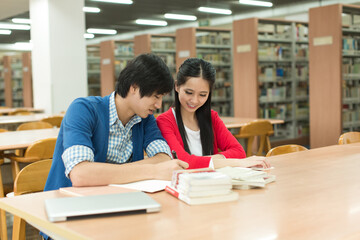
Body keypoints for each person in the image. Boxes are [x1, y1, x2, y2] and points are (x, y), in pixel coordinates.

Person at [44, 53, 188, 191]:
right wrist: (152, 170)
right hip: (68, 202)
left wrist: (102, 173)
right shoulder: (83, 110)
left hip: (115, 200)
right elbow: (80, 174)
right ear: (134, 87)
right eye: (156, 97)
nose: (158, 105)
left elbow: (163, 158)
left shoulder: (145, 118)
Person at [156, 58, 270, 169]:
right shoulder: (165, 121)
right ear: (177, 86)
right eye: (189, 92)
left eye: (202, 95)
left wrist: (204, 161)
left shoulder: (212, 117)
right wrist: (235, 162)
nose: (195, 100)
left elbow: (239, 152)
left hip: (214, 182)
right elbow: (185, 163)